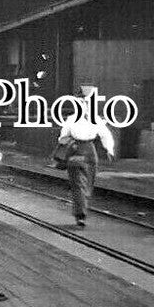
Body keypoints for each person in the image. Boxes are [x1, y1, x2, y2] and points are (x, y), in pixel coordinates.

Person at [57, 95, 116, 228]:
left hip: (76, 150)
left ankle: (80, 215)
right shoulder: (96, 119)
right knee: (88, 183)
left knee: (78, 184)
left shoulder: (71, 119)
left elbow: (62, 137)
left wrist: (65, 143)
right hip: (90, 152)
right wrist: (109, 150)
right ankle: (82, 212)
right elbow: (105, 134)